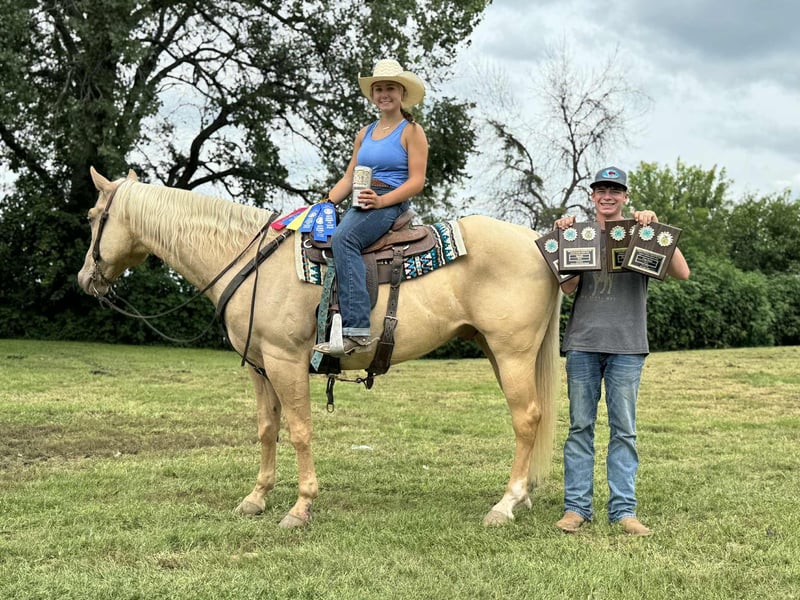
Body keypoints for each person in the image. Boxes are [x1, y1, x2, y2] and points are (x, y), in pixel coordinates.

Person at [553, 166, 691, 536]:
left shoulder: (641, 234)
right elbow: (567, 288)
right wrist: (564, 236)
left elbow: (682, 272)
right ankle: (576, 509)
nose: (607, 196)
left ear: (625, 197)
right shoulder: (578, 233)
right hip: (582, 344)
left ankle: (624, 511)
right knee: (580, 428)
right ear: (592, 196)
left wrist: (657, 230)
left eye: (615, 190)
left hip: (628, 346)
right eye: (601, 190)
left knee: (624, 431)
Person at [313, 59, 429, 357]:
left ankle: (356, 330)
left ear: (402, 93)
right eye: (378, 89)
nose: (384, 94)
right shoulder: (364, 133)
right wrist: (325, 204)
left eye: (390, 88)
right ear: (372, 95)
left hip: (389, 201)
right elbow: (349, 177)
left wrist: (382, 201)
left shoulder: (411, 131)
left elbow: (416, 181)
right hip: (362, 199)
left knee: (344, 239)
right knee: (318, 234)